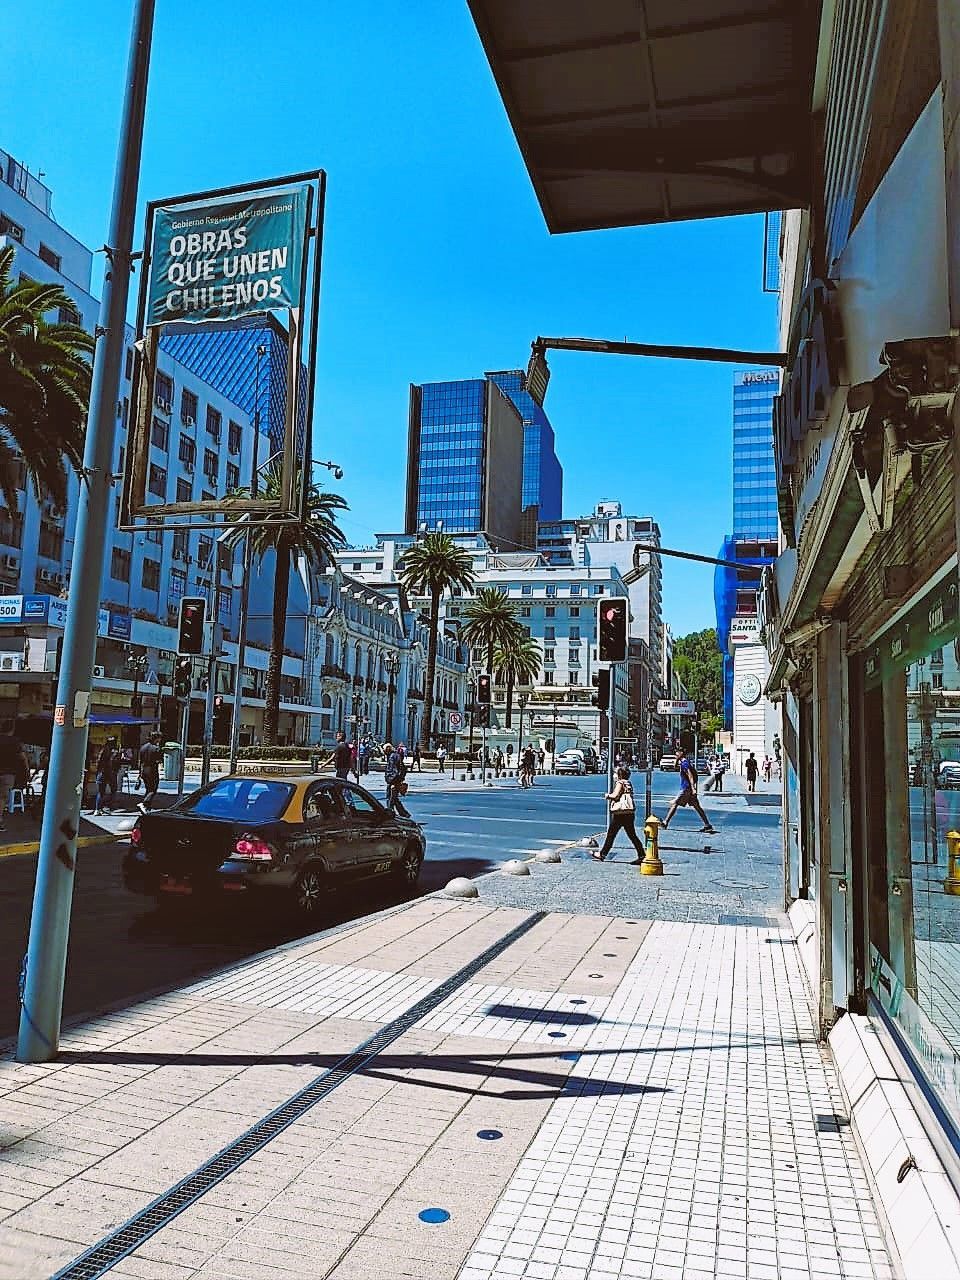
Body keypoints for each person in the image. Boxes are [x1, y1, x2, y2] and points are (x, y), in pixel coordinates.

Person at [593, 767, 645, 863]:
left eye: (615, 773)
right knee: (632, 835)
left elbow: (616, 795)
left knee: (611, 834)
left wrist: (607, 796)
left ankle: (602, 854)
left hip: (620, 814)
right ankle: (641, 854)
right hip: (629, 813)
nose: (614, 775)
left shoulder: (620, 783)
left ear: (619, 775)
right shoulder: (628, 783)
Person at [663, 753, 716, 834]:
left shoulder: (685, 764)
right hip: (689, 789)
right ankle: (707, 825)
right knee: (697, 807)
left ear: (681, 753)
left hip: (686, 788)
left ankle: (665, 823)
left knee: (675, 804)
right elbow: (675, 767)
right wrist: (677, 760)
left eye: (677, 753)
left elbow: (690, 775)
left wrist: (693, 788)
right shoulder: (684, 762)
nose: (675, 755)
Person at [0, 720, 28, 827]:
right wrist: (27, 770)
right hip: (8, 773)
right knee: (2, 797)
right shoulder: (15, 742)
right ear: (12, 729)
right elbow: (23, 758)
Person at [137, 732, 163, 814]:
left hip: (144, 770)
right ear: (157, 738)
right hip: (152, 770)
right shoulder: (156, 748)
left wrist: (139, 773)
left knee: (148, 789)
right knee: (153, 790)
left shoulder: (143, 747)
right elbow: (159, 760)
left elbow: (140, 761)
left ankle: (146, 808)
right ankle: (144, 804)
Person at [384, 740, 411, 817]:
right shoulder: (395, 755)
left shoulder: (392, 757)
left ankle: (390, 813)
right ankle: (404, 813)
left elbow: (394, 770)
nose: (383, 752)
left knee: (390, 798)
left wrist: (392, 781)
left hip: (393, 781)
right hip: (395, 780)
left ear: (388, 749)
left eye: (384, 750)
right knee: (394, 798)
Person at [94, 737, 119, 816]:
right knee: (113, 791)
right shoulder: (115, 752)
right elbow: (117, 763)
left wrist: (98, 772)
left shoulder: (103, 750)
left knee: (101, 792)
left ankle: (98, 809)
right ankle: (109, 807)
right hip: (111, 773)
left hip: (102, 772)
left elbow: (98, 762)